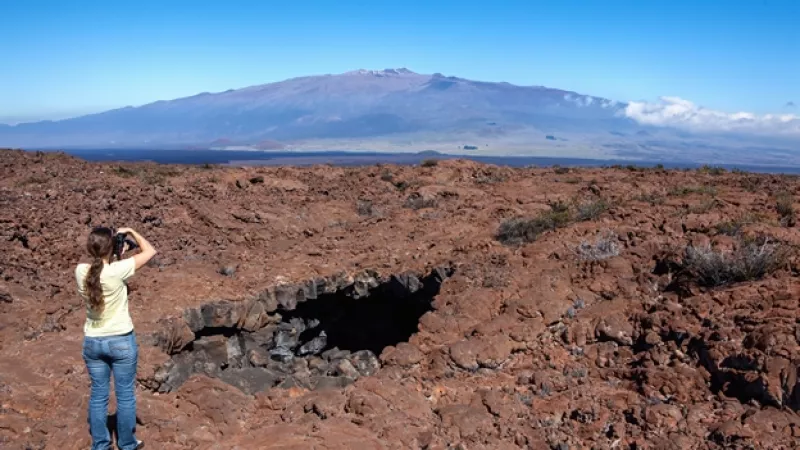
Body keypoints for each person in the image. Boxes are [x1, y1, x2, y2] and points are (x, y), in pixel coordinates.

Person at [76, 227, 156, 450]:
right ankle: (127, 444)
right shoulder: (118, 270)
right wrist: (131, 231)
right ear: (111, 249)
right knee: (125, 396)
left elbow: (98, 268)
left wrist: (114, 252)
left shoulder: (81, 270)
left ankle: (100, 445)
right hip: (120, 340)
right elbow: (150, 251)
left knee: (98, 395)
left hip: (93, 342)